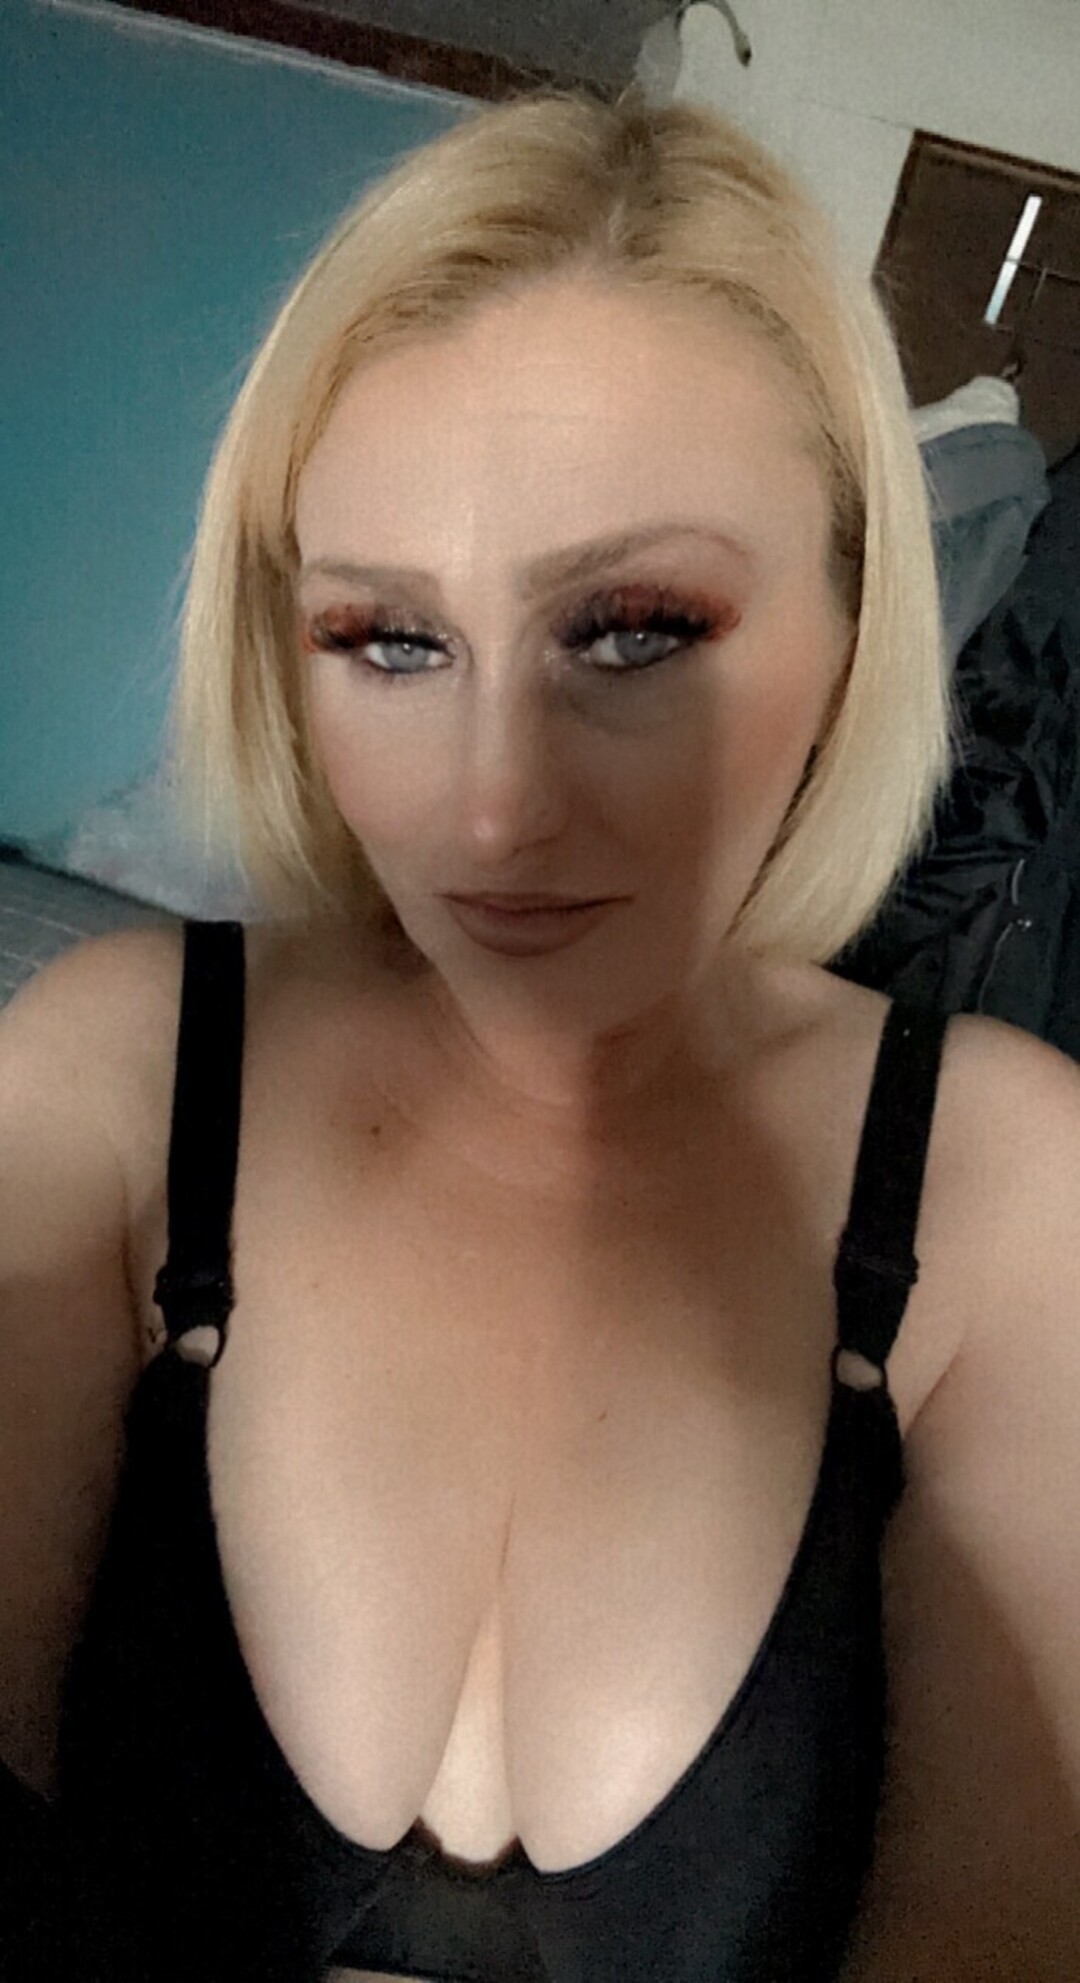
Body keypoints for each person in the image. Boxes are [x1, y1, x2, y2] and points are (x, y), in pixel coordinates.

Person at [2, 83, 1078, 1983]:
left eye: (636, 628)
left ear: (853, 624)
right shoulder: (107, 1080)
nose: (492, 811)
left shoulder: (1012, 1194)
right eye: (390, 641)